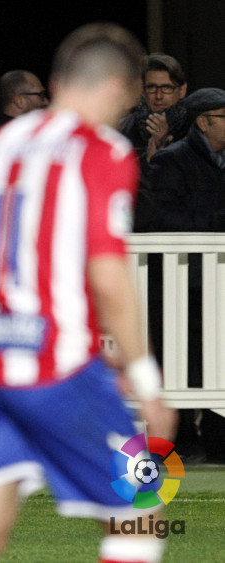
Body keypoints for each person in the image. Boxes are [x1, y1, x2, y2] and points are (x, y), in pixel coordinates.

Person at [0, 23, 177, 563]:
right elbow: (106, 268)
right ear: (116, 87)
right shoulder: (100, 149)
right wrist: (146, 381)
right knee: (141, 511)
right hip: (53, 363)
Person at [142, 88, 225, 463]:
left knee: (218, 361)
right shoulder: (171, 161)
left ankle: (217, 439)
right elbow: (158, 219)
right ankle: (181, 444)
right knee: (181, 363)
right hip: (180, 283)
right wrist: (213, 225)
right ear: (203, 121)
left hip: (218, 281)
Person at [119, 53, 190, 167]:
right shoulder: (123, 129)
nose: (158, 96)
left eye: (167, 88)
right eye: (151, 87)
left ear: (182, 90)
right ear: (142, 90)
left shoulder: (196, 129)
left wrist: (165, 145)